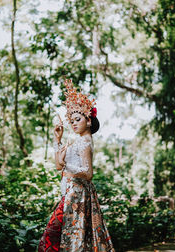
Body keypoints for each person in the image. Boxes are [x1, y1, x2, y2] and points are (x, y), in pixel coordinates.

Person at [38, 79, 115, 252]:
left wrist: (68, 167)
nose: (73, 123)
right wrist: (57, 140)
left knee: (67, 236)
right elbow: (59, 166)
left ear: (88, 121)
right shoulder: (76, 141)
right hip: (69, 192)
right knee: (67, 235)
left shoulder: (86, 142)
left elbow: (88, 173)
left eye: (77, 119)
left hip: (78, 194)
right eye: (71, 120)